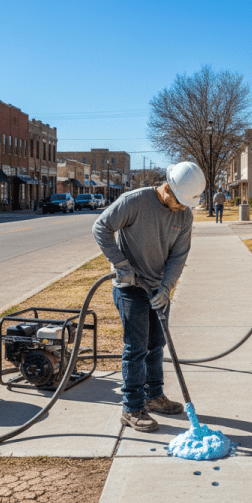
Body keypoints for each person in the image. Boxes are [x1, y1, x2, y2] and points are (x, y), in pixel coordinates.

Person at [92, 160, 206, 432]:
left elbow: (179, 256)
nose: (180, 209)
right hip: (130, 288)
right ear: (167, 189)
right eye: (178, 202)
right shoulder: (134, 202)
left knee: (156, 344)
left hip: (157, 288)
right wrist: (121, 265)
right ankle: (131, 408)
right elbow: (101, 228)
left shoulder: (184, 215)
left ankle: (154, 396)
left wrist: (166, 289)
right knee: (136, 347)